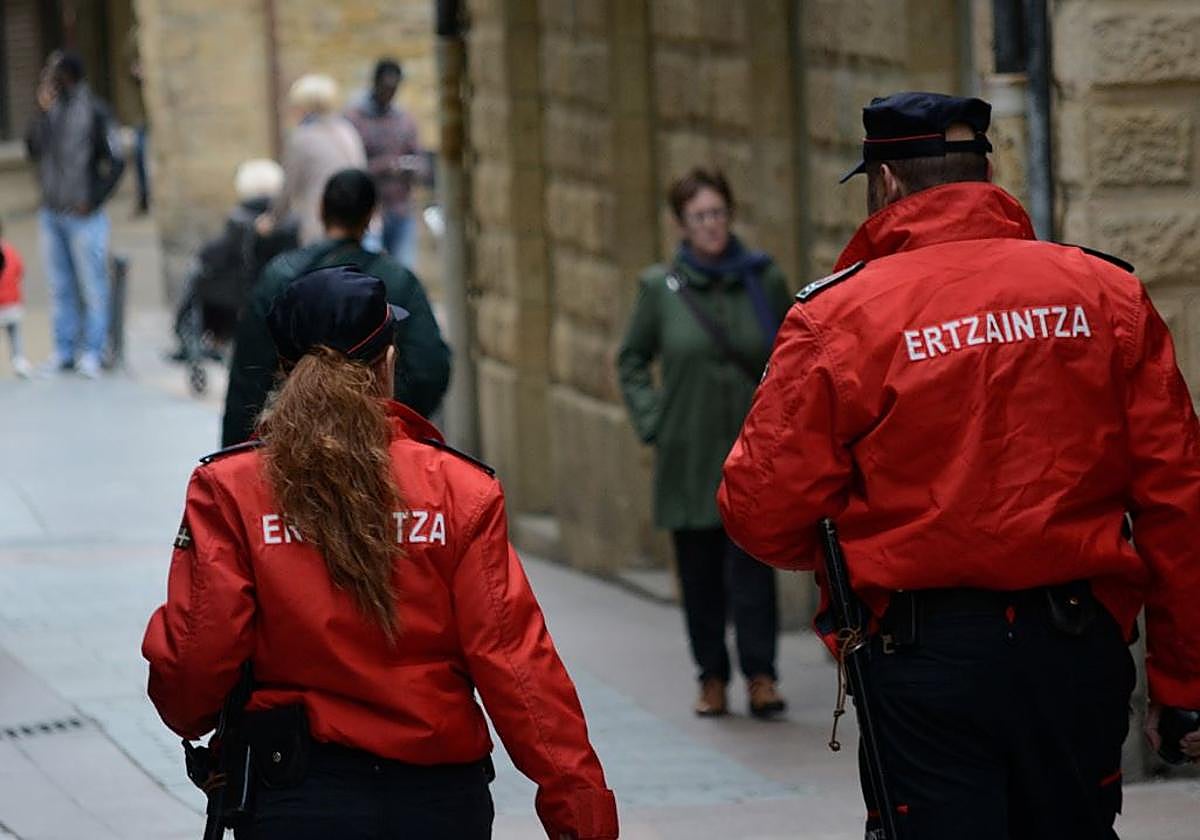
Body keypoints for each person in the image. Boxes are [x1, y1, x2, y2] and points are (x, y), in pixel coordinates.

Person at [719, 92, 1200, 839]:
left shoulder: (839, 317)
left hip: (923, 657)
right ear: (985, 175)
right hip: (1075, 646)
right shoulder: (1106, 293)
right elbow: (1178, 501)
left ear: (886, 185)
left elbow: (760, 509)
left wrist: (855, 543)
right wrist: (1185, 682)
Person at [143, 266, 619, 840]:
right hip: (439, 803)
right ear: (387, 363)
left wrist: (192, 714)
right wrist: (581, 812)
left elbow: (196, 663)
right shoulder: (458, 492)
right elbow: (518, 665)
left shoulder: (232, 489)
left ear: (285, 372)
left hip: (295, 799)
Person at [616, 168, 791, 719]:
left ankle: (761, 675)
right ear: (680, 225)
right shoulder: (660, 288)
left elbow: (793, 355)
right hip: (689, 455)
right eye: (699, 217)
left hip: (752, 453)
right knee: (700, 575)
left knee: (753, 571)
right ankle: (711, 677)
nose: (711, 226)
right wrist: (654, 420)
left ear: (731, 215)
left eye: (717, 213)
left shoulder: (764, 280)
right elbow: (632, 361)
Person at [223, 168, 449, 447]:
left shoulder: (280, 277)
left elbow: (247, 378)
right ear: (370, 215)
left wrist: (234, 454)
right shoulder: (398, 281)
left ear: (321, 209)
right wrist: (390, 422)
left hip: (293, 449)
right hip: (379, 445)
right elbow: (430, 366)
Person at [25, 51, 125, 378]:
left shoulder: (95, 110)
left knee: (92, 286)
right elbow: (31, 148)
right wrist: (40, 113)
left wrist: (94, 200)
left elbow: (117, 161)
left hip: (84, 216)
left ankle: (92, 352)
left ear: (69, 76)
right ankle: (64, 351)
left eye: (55, 74)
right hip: (52, 213)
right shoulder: (50, 112)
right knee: (60, 287)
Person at [170, 159, 298, 361]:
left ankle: (206, 339)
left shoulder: (238, 222)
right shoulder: (292, 224)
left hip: (240, 298)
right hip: (282, 299)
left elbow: (212, 256)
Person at [346, 58, 427, 269]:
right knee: (372, 273)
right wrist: (386, 166)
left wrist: (411, 167)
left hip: (401, 208)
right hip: (370, 212)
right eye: (386, 86)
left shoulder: (404, 121)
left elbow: (421, 162)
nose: (389, 92)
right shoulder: (355, 119)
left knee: (403, 271)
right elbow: (352, 166)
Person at [270, 74, 366, 245]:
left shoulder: (302, 138)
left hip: (321, 226)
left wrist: (272, 220)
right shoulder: (347, 130)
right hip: (357, 224)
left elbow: (288, 188)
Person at [0, 221, 32, 378]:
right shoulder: (11, 251)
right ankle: (19, 360)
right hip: (12, 303)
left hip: (4, 303)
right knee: (14, 333)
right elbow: (20, 270)